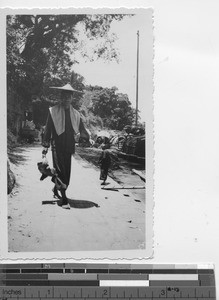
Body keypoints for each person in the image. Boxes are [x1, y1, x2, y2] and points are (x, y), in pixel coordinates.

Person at [42, 83, 90, 209]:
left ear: (72, 98)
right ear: (60, 97)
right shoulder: (53, 111)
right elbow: (48, 129)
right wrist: (45, 146)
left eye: (68, 96)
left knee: (66, 173)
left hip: (69, 146)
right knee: (59, 171)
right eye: (63, 96)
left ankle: (55, 188)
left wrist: (87, 138)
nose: (66, 99)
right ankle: (64, 199)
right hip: (56, 145)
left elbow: (82, 129)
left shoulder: (76, 114)